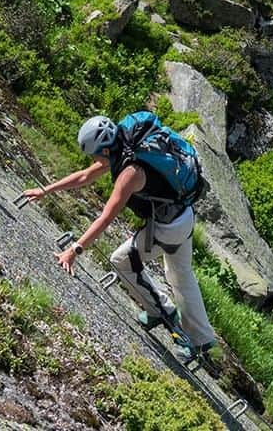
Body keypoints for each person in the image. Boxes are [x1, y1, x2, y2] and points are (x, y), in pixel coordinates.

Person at [24, 114, 217, 356]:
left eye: (94, 154)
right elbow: (85, 176)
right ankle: (203, 339)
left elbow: (106, 217)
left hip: (168, 228)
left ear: (104, 151)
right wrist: (46, 189)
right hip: (183, 215)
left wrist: (74, 251)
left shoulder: (130, 173)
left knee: (122, 261)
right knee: (180, 273)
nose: (93, 159)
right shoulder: (125, 141)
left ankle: (162, 312)